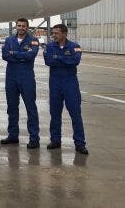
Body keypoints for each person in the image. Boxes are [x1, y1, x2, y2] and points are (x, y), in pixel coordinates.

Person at [43, 24, 88, 155]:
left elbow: (75, 61)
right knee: (55, 113)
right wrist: (64, 59)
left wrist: (58, 58)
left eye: (56, 33)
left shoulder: (75, 46)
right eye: (53, 33)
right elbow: (49, 61)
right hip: (55, 82)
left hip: (70, 83)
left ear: (64, 33)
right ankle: (55, 140)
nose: (54, 35)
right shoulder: (50, 46)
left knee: (75, 114)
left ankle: (80, 143)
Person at [1, 18, 40, 149]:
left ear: (27, 27)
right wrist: (22, 55)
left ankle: (34, 138)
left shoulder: (33, 40)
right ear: (16, 27)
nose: (21, 28)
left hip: (26, 77)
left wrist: (14, 54)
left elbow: (31, 55)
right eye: (19, 25)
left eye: (24, 26)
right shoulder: (9, 40)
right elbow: (5, 56)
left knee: (31, 108)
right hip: (11, 77)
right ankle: (13, 136)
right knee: (12, 107)